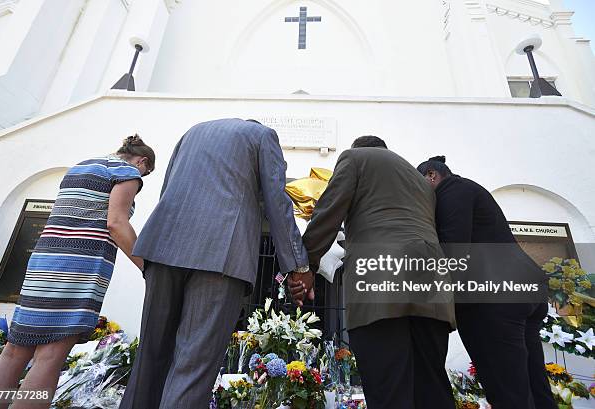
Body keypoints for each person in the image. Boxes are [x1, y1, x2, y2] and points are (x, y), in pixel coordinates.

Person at [120, 119, 310, 409]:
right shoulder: (262, 136)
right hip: (221, 253)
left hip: (165, 244)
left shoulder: (191, 131)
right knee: (193, 364)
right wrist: (298, 267)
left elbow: (168, 189)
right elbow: (277, 202)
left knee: (150, 356)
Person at [0, 136, 155, 409]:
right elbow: (116, 222)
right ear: (142, 162)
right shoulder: (126, 172)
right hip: (77, 269)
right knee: (50, 356)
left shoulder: (80, 167)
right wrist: (148, 267)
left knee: (14, 351)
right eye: (146, 172)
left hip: (43, 263)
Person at [289, 136, 455, 409]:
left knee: (388, 385)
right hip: (431, 280)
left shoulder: (355, 158)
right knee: (431, 386)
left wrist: (305, 267)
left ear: (360, 148)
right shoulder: (419, 180)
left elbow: (329, 211)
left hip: (382, 276)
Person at [416, 156, 556, 409]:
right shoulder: (470, 190)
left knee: (506, 388)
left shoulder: (452, 192)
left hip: (494, 299)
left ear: (431, 176)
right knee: (533, 383)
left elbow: (453, 251)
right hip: (523, 289)